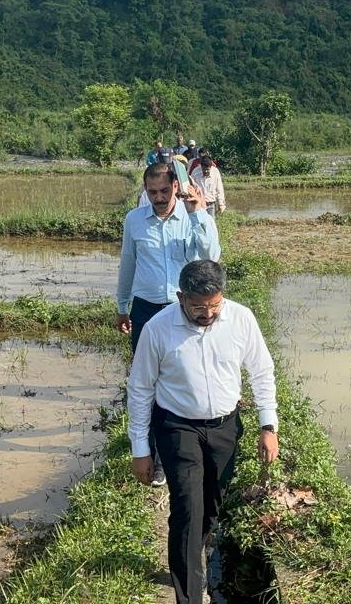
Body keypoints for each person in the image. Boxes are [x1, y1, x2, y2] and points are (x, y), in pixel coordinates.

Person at [127, 260, 279, 604]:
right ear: (181, 297)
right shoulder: (158, 329)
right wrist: (140, 449)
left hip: (225, 427)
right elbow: (140, 389)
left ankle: (194, 554)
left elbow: (262, 371)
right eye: (197, 306)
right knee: (187, 508)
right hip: (177, 427)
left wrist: (268, 425)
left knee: (212, 504)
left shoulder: (241, 319)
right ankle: (190, 594)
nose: (207, 314)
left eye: (214, 305)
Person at [117, 162, 221, 485]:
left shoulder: (194, 217)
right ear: (145, 191)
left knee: (178, 379)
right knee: (145, 382)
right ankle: (148, 451)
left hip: (181, 309)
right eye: (152, 192)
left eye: (164, 190)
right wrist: (122, 306)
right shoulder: (134, 220)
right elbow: (127, 263)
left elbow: (211, 256)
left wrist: (198, 214)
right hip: (146, 310)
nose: (159, 198)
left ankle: (176, 449)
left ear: (176, 186)